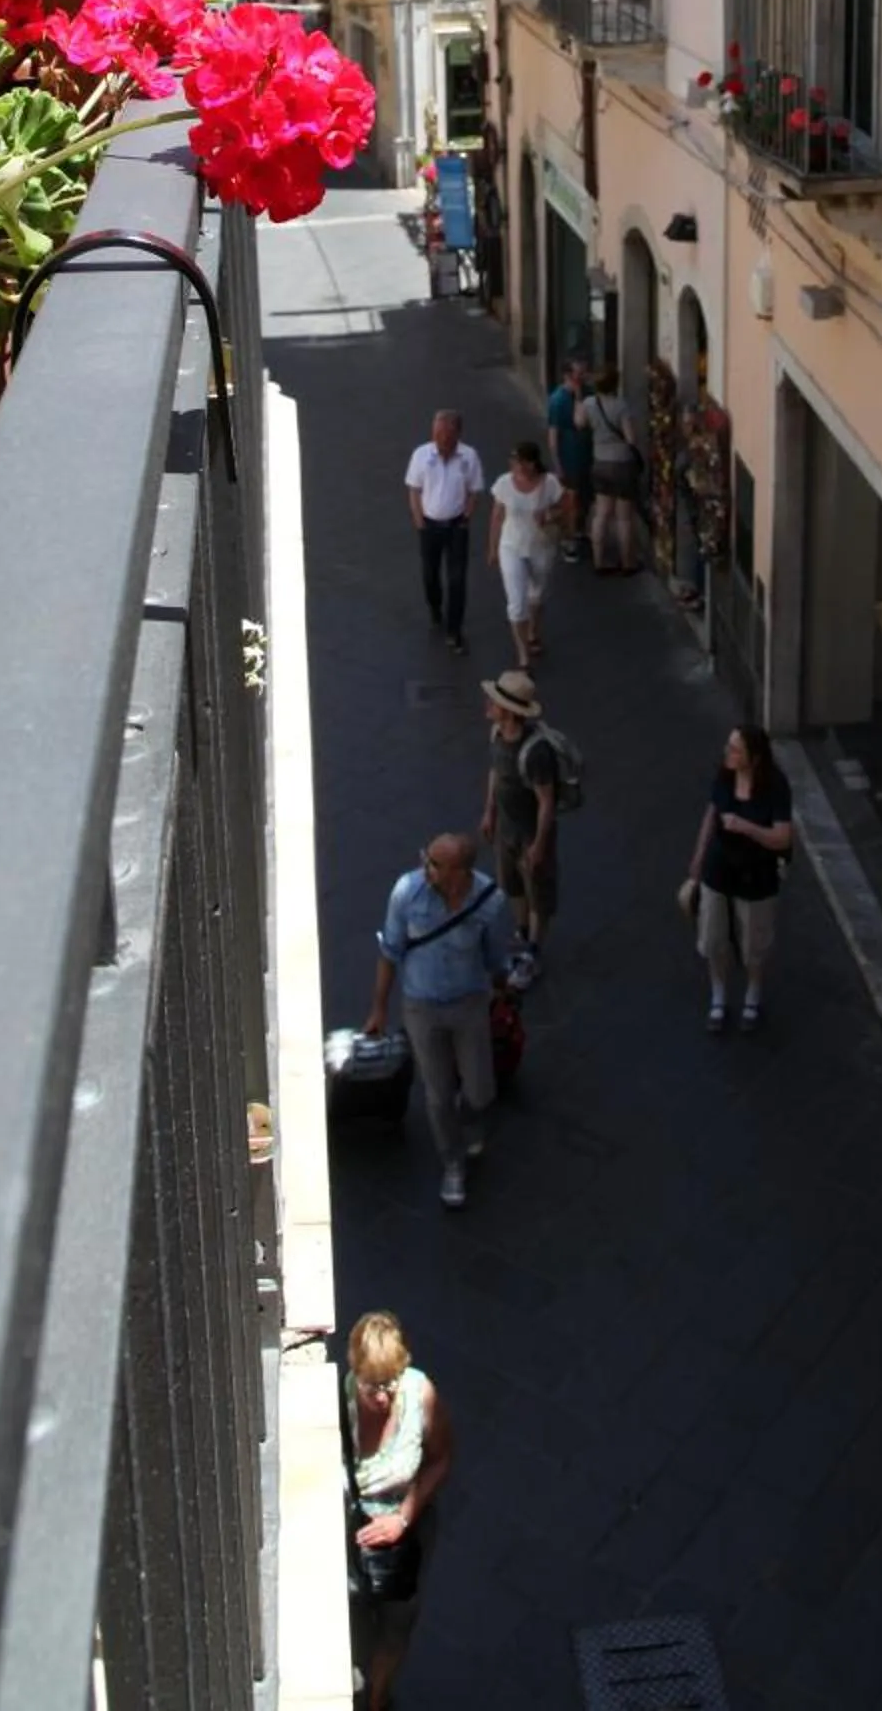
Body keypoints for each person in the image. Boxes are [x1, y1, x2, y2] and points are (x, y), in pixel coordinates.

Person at [363, 830, 514, 1207]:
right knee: (438, 1093)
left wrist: (501, 990)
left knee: (481, 1091)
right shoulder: (406, 894)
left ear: (460, 872)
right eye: (426, 859)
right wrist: (379, 1007)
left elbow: (496, 958)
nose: (424, 868)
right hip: (422, 1008)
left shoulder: (489, 902)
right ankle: (452, 1163)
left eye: (434, 864)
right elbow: (390, 952)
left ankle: (472, 1120)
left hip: (469, 1004)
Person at [341, 1310, 453, 1711]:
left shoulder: (421, 1395)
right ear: (356, 1374)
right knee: (350, 1624)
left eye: (390, 1383)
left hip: (404, 1531)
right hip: (352, 1531)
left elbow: (441, 1459)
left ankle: (377, 1701)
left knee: (395, 1628)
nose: (383, 1396)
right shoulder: (341, 1402)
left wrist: (402, 1517)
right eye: (373, 1387)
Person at [683, 723, 794, 1030]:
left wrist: (746, 827)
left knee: (753, 945)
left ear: (754, 757)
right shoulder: (725, 775)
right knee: (713, 936)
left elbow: (783, 838)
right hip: (718, 870)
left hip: (756, 876)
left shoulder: (775, 785)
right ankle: (718, 996)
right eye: (729, 747)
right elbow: (711, 813)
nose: (727, 753)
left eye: (735, 749)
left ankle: (752, 995)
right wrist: (698, 855)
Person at [477, 668, 559, 990]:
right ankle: (522, 932)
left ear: (510, 711)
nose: (488, 704)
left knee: (538, 892)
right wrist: (489, 811)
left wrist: (539, 844)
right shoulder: (497, 734)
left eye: (494, 702)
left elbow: (547, 801)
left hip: (530, 834)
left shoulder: (536, 752)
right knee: (512, 885)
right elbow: (495, 773)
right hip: (506, 830)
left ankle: (533, 953)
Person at [404, 409, 485, 654]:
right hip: (429, 525)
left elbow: (474, 490)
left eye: (445, 434)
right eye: (436, 433)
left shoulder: (469, 457)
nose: (439, 439)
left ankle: (454, 630)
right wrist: (419, 523)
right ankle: (435, 607)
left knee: (457, 580)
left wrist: (466, 518)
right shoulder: (421, 454)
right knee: (430, 575)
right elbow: (414, 490)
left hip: (456, 525)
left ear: (456, 434)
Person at [488, 440, 563, 664]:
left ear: (532, 464)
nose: (516, 466)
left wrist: (550, 516)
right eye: (513, 461)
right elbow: (497, 517)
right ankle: (523, 654)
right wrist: (492, 547)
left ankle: (533, 631)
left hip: (540, 546)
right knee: (517, 603)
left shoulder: (549, 483)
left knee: (536, 595)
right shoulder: (503, 484)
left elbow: (566, 508)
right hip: (511, 545)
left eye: (520, 462)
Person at [575, 366, 642, 574]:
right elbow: (631, 438)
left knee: (601, 514)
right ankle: (627, 563)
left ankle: (599, 561)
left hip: (600, 462)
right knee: (623, 517)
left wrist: (578, 398)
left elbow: (579, 423)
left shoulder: (589, 404)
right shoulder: (621, 406)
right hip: (622, 463)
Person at [546, 353, 593, 561]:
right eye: (578, 373)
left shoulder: (586, 394)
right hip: (569, 456)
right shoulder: (558, 400)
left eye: (584, 372)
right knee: (570, 500)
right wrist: (557, 464)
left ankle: (579, 531)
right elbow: (553, 434)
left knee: (583, 498)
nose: (582, 377)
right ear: (567, 375)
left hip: (586, 455)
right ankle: (568, 539)